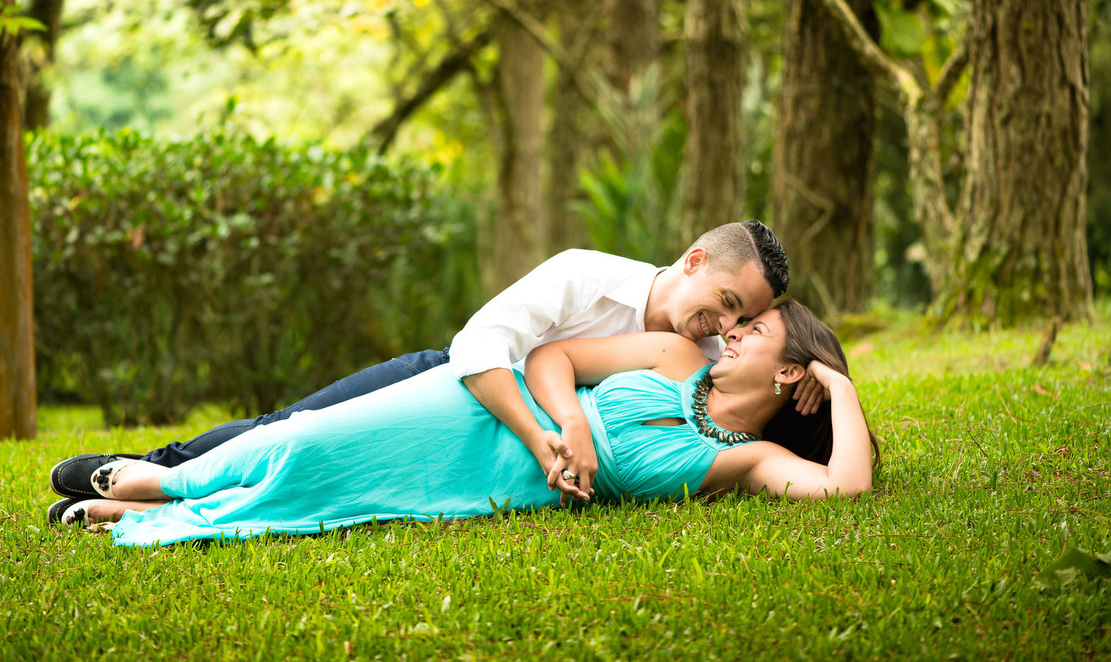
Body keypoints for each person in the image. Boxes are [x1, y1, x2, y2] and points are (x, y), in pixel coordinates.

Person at [49, 220, 805, 507]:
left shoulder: (710, 355)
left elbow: (747, 401)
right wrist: (549, 435)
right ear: (695, 259)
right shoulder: (583, 272)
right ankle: (157, 466)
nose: (726, 323)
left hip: (504, 460)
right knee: (300, 425)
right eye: (725, 299)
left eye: (742, 318)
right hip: (451, 385)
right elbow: (484, 345)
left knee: (341, 480)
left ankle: (165, 493)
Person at [48, 299, 877, 548]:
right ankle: (174, 480)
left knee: (331, 497)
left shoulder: (751, 459)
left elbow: (844, 491)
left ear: (791, 371)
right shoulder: (672, 354)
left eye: (755, 333)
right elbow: (554, 359)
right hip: (494, 413)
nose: (730, 332)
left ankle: (161, 512)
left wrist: (840, 389)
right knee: (304, 437)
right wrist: (566, 429)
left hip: (505, 486)